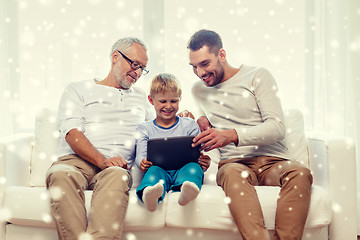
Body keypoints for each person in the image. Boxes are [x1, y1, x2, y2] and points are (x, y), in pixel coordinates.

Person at [187, 29, 313, 240]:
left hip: (274, 162)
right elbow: (205, 117)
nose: (200, 73)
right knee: (231, 174)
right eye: (194, 67)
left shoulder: (257, 76)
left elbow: (277, 127)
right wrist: (196, 118)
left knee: (300, 173)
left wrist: (231, 135)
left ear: (222, 55)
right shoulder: (198, 90)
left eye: (205, 64)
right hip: (234, 164)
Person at [46, 37, 154, 240]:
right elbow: (72, 132)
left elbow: (159, 129)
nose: (138, 73)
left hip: (116, 168)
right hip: (76, 162)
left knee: (119, 176)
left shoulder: (142, 98)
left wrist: (184, 117)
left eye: (143, 68)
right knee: (61, 175)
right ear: (115, 57)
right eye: (135, 64)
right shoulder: (78, 89)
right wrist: (102, 160)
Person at [135, 73, 211, 212]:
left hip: (183, 170)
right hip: (159, 171)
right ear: (151, 100)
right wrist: (142, 162)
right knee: (153, 172)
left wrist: (204, 162)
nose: (168, 106)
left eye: (174, 101)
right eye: (163, 101)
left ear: (180, 99)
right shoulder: (144, 128)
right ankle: (150, 194)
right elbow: (140, 154)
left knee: (194, 168)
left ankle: (186, 190)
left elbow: (198, 154)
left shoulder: (189, 125)